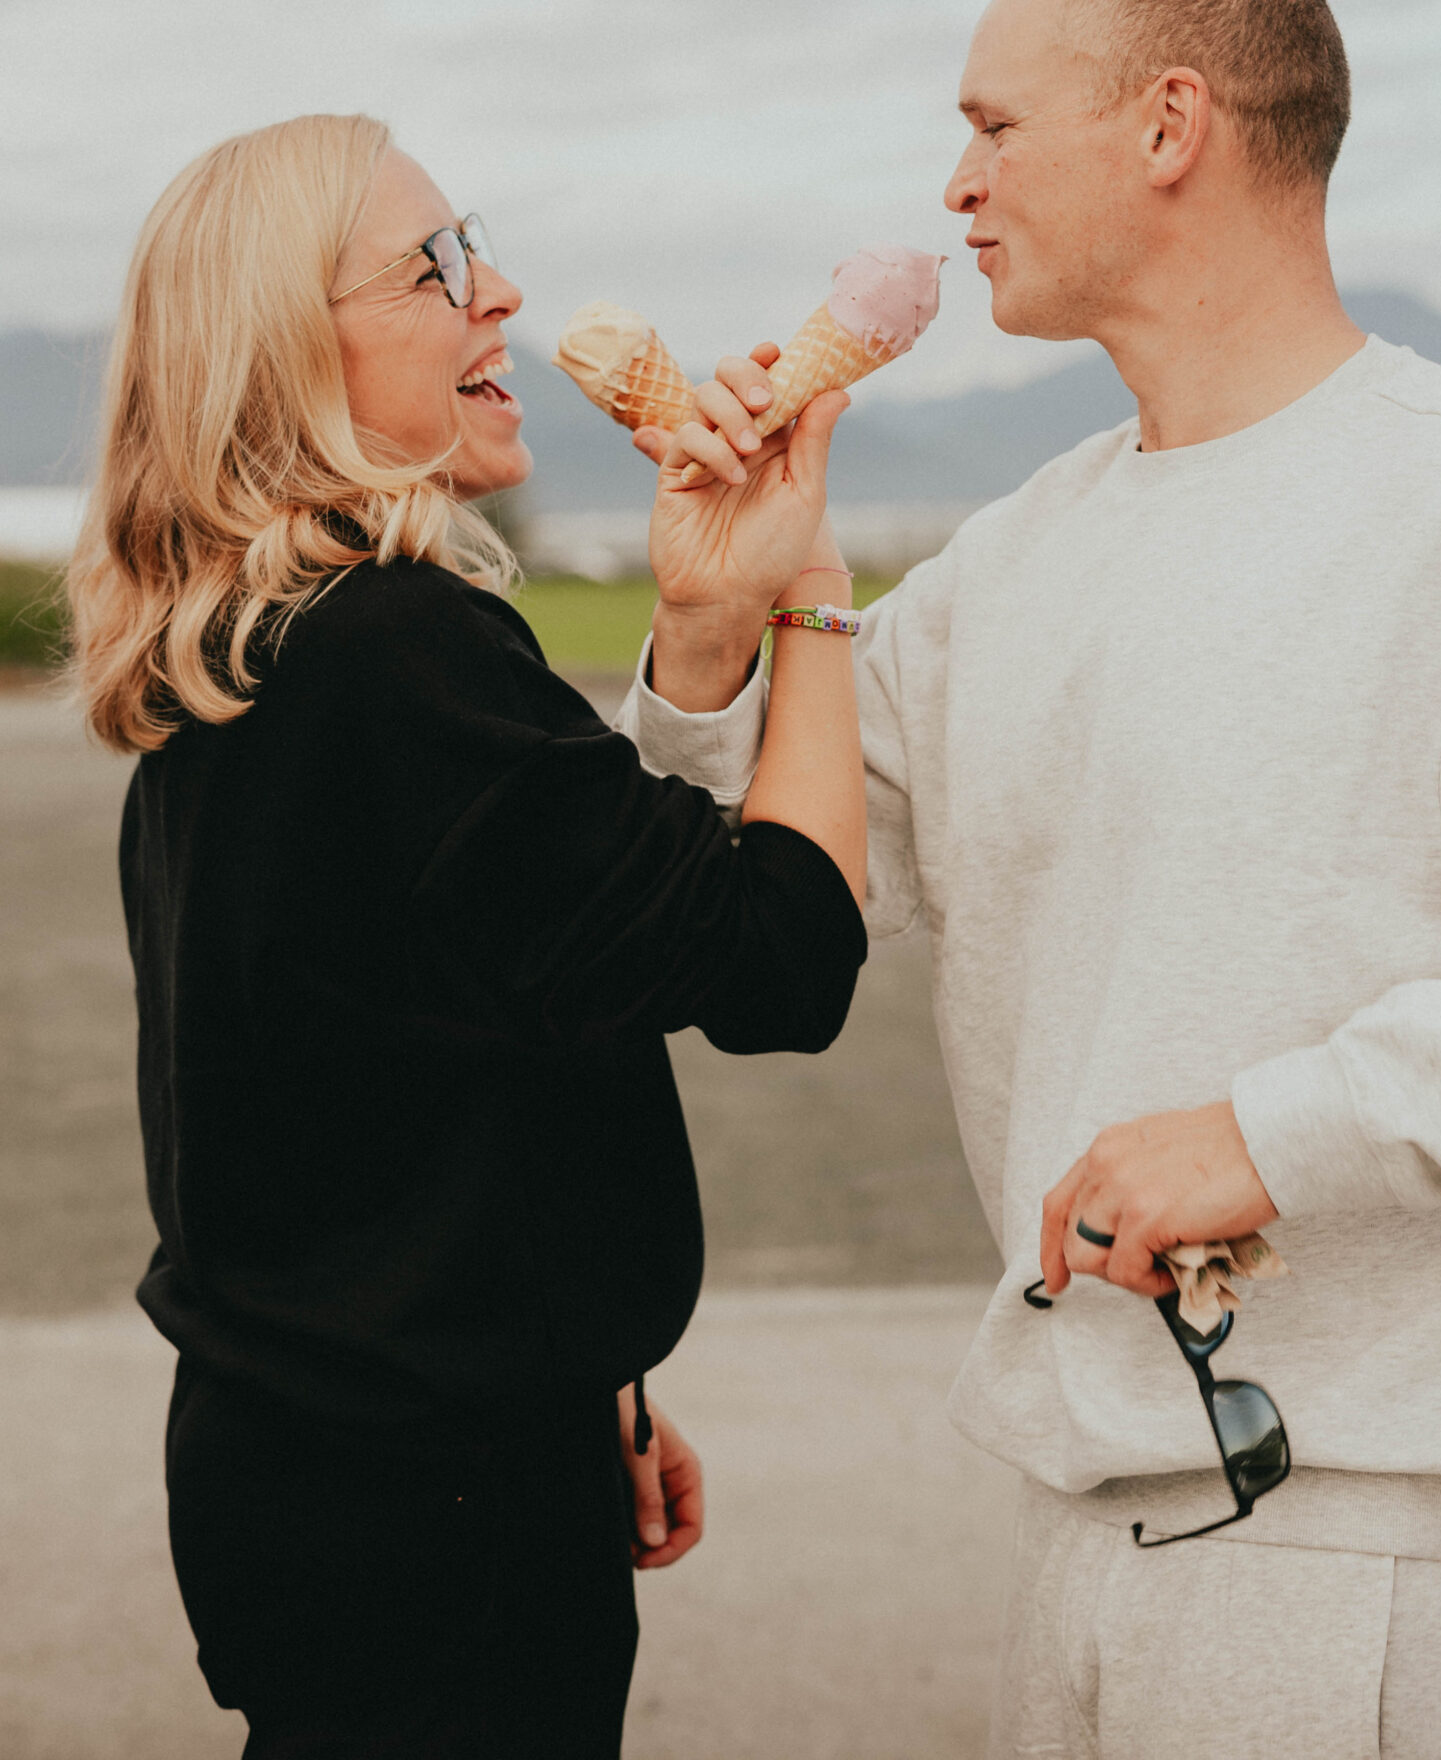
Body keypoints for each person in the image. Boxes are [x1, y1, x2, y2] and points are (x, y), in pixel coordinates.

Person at [626, 0, 1441, 1760]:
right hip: (1087, 1516)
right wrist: (727, 625)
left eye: (991, 125)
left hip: (1378, 1550)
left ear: (1167, 125)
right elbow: (757, 894)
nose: (954, 186)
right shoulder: (1021, 554)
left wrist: (1276, 1134)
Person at [68, 112, 868, 1760]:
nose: (497, 289)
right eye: (436, 264)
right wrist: (813, 594)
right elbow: (778, 964)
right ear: (290, 350)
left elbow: (541, 972)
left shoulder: (263, 653)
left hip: (334, 1458)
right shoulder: (402, 649)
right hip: (429, 1505)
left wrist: (590, 1382)